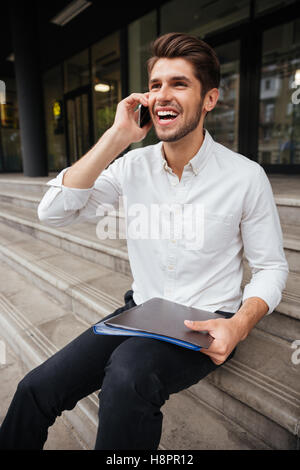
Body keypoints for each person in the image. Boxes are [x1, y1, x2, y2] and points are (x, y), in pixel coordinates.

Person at [0, 32, 289, 450]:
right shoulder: (131, 165)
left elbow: (272, 267)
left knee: (127, 375)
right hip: (142, 312)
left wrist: (237, 326)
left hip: (204, 323)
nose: (162, 96)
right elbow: (53, 211)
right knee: (34, 389)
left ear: (210, 99)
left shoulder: (245, 177)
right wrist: (117, 137)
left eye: (179, 84)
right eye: (155, 85)